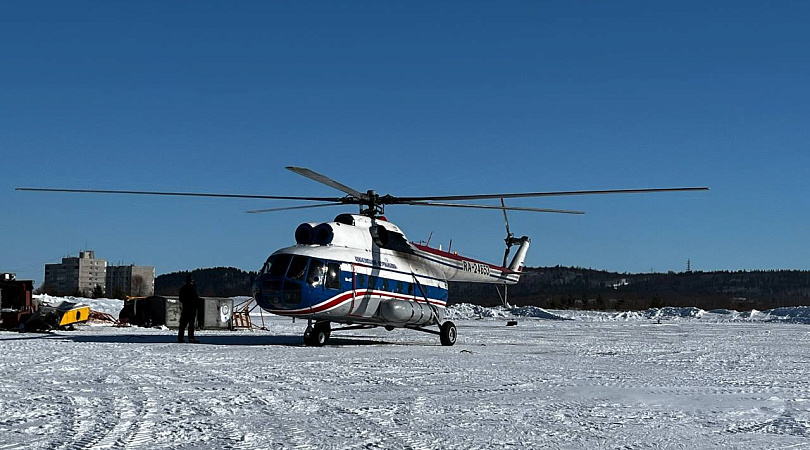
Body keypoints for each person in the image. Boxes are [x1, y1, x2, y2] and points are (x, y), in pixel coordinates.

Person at [178, 274, 201, 343]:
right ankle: (190, 338)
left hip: (186, 308)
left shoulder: (184, 288)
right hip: (191, 308)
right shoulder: (192, 288)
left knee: (183, 324)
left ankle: (180, 338)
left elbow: (180, 298)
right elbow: (195, 298)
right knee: (190, 324)